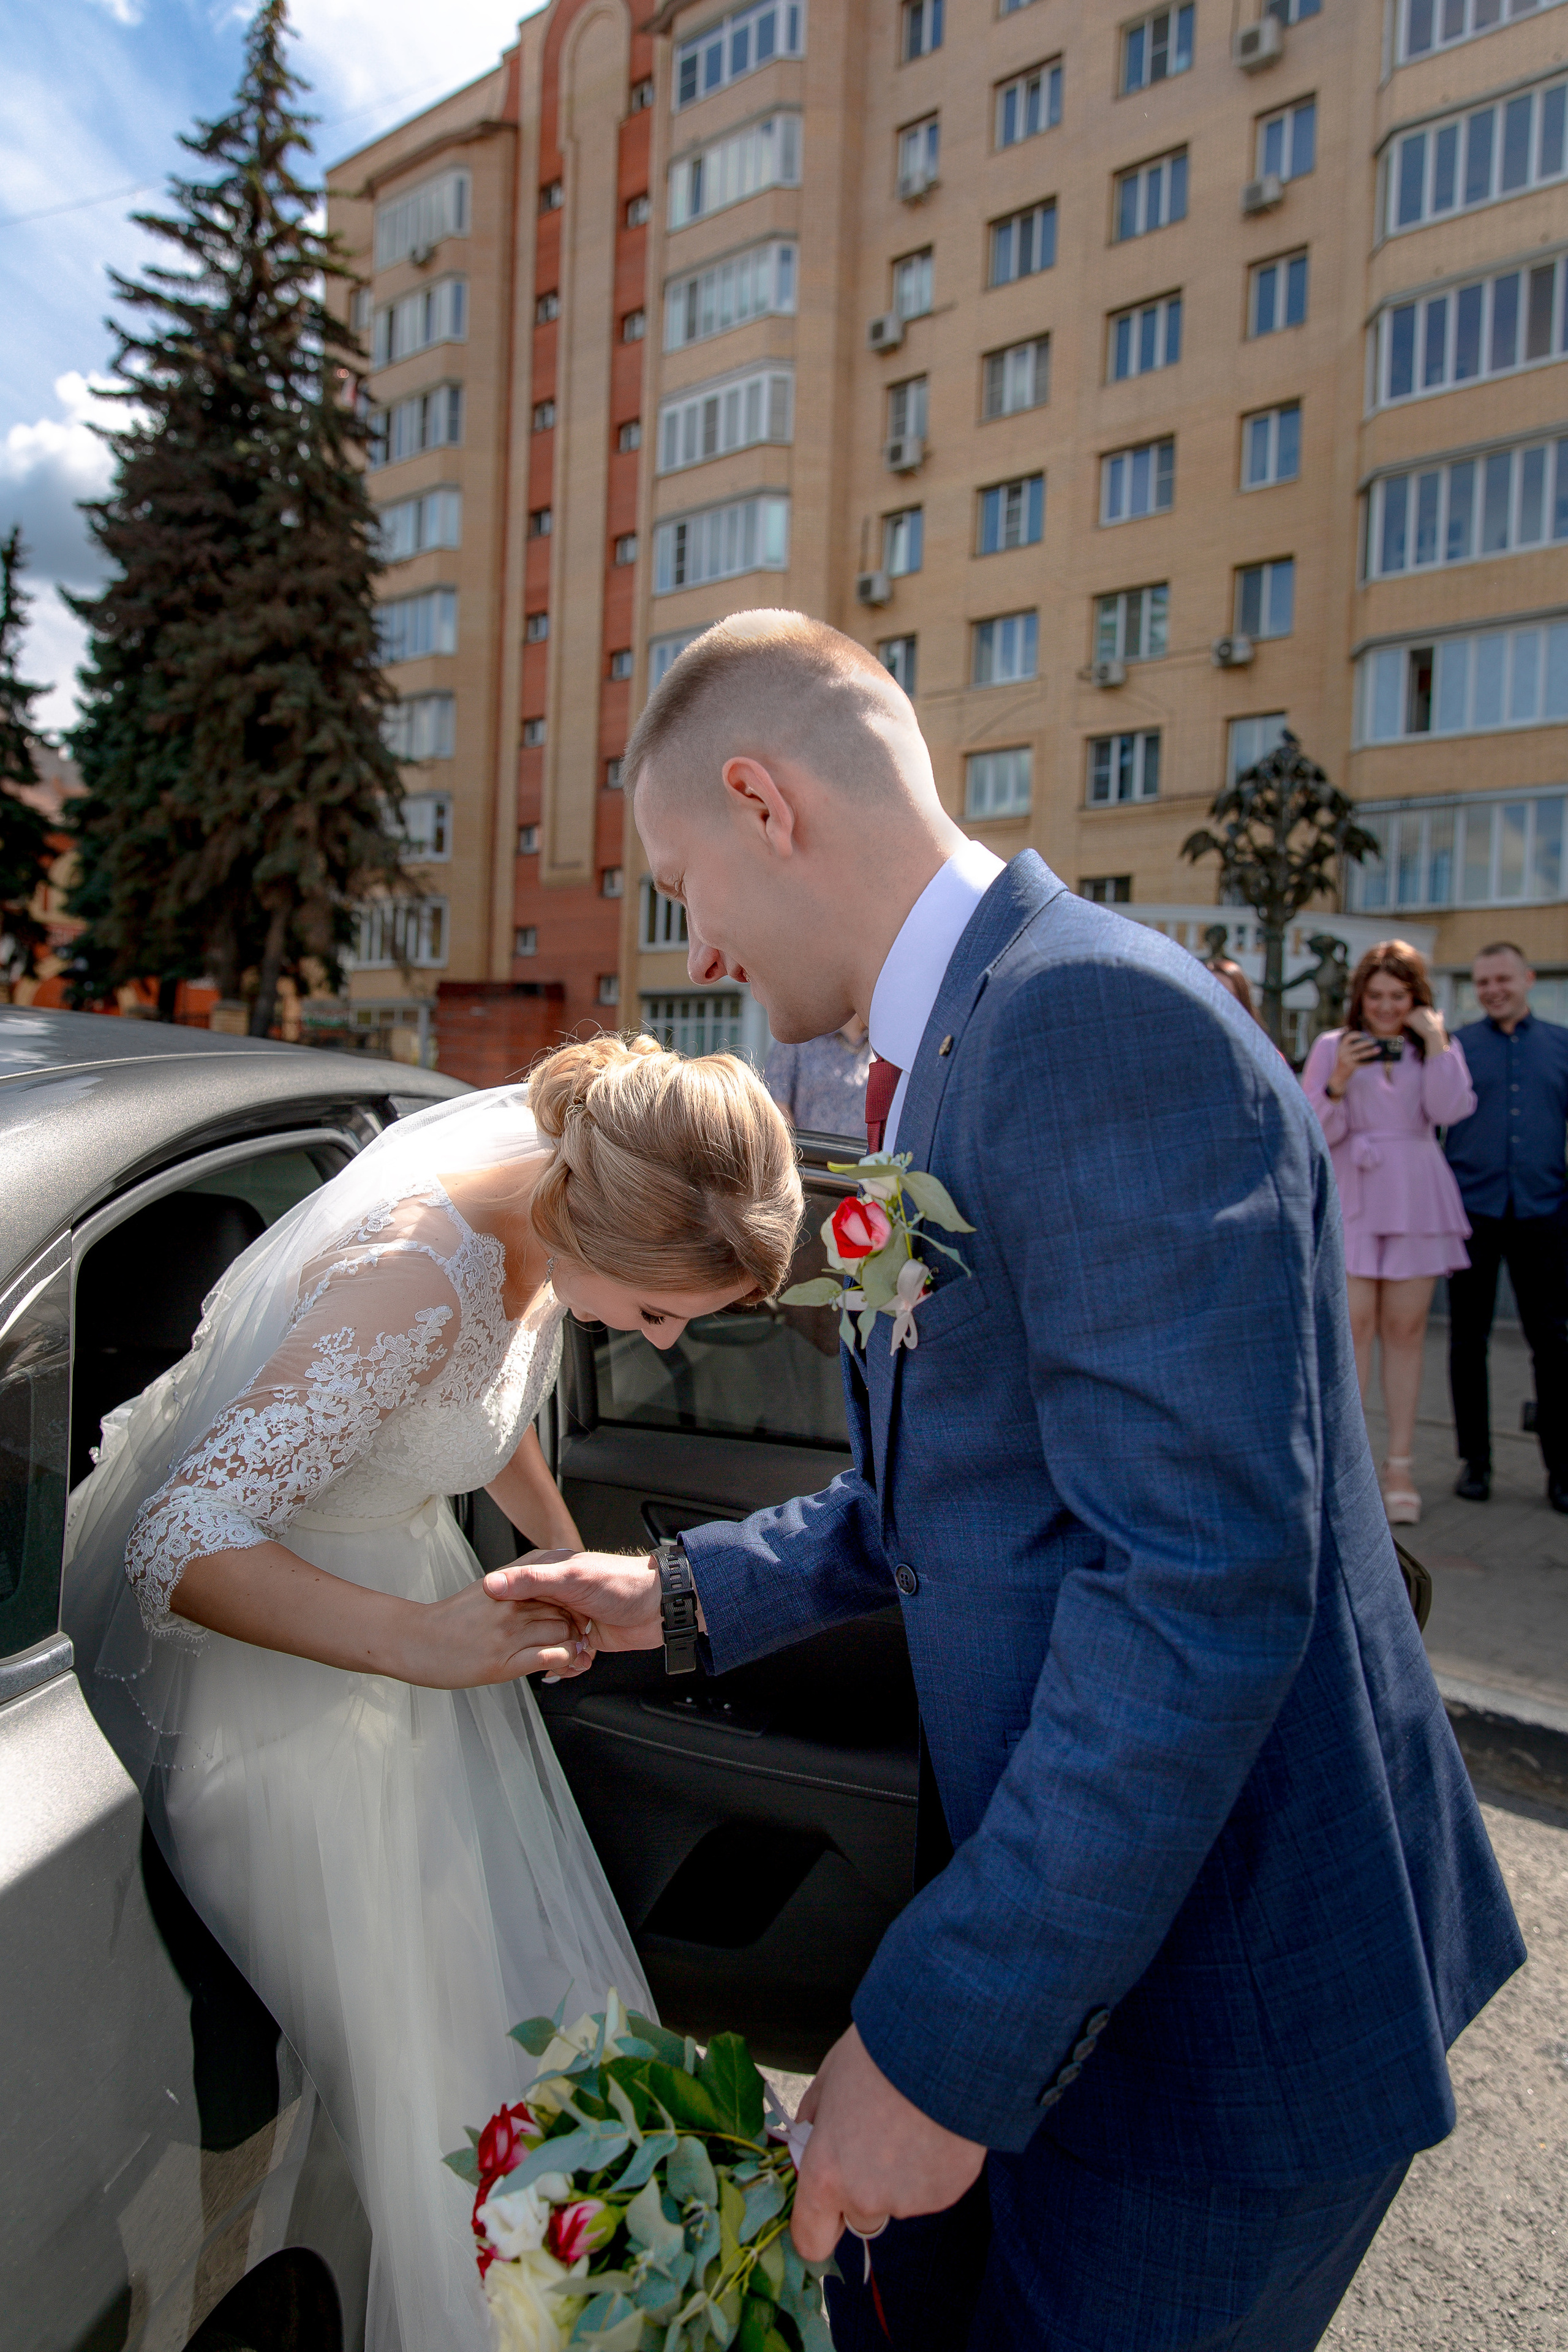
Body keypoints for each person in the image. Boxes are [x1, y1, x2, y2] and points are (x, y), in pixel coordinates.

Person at [494, 612, 1523, 2352]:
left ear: (766, 802)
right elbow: (935, 1487)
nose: (699, 936)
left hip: (1210, 2020)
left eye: (682, 879)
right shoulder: (929, 1064)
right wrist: (672, 1596)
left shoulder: (1091, 1022)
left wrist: (952, 2033)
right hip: (1094, 1971)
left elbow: (1197, 1588)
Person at [63, 1035, 801, 2351]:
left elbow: (479, 1398)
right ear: (588, 1225)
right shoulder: (406, 1275)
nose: (662, 1336)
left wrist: (557, 1546)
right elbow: (178, 1540)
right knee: (441, 2081)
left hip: (407, 1612)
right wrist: (420, 1641)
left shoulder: (533, 1205)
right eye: (651, 1310)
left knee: (515, 2029)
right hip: (288, 1672)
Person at [1302, 942, 1476, 1526]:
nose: (1384, 1007)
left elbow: (1450, 1110)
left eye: (1397, 996)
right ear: (1360, 997)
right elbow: (1312, 1130)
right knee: (1351, 1330)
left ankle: (1399, 1465)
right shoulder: (1333, 1047)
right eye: (1374, 995)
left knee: (1406, 1330)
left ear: (1416, 999)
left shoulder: (1434, 1050)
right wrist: (1339, 1080)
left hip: (1417, 1194)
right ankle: (1348, 1468)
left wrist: (1438, 1042)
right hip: (1354, 1193)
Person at [1443, 941, 1568, 1513]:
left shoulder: (1561, 1046)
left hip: (1544, 1213)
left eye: (1503, 979)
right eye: (1483, 981)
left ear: (1528, 978)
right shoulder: (1454, 1046)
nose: (1493, 989)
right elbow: (1383, 1055)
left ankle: (1561, 1470)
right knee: (1469, 1343)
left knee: (1554, 1345)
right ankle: (1476, 1463)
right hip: (1472, 1212)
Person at [764, 1011, 872, 1135]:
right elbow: (775, 1101)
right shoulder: (800, 1036)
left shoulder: (884, 1046)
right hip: (808, 1152)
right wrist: (794, 1149)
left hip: (865, 1153)